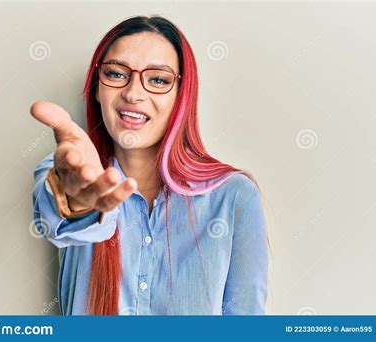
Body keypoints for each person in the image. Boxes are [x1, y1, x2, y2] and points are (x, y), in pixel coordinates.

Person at [31, 15, 268, 315]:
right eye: (116, 74)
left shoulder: (234, 196)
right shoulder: (65, 171)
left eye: (158, 79)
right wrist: (78, 204)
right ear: (95, 88)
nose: (133, 93)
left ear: (182, 95)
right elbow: (58, 213)